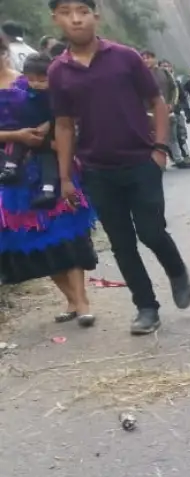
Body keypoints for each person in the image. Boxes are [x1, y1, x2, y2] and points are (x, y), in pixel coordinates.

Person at [49, 0, 190, 336]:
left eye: (83, 11)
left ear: (95, 17)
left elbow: (157, 103)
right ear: (56, 19)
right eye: (67, 12)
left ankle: (176, 271)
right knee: (122, 243)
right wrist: (65, 177)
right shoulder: (59, 71)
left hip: (141, 162)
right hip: (97, 170)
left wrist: (159, 149)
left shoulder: (125, 57)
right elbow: (64, 125)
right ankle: (146, 307)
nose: (76, 19)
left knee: (151, 231)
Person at [0, 33, 97, 327]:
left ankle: (82, 303)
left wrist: (46, 132)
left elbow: (62, 115)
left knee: (67, 229)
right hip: (11, 170)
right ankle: (70, 298)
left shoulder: (29, 79)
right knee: (33, 237)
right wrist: (15, 136)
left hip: (49, 163)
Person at [0, 53, 59, 209]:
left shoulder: (23, 84)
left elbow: (64, 117)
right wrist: (17, 135)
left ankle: (48, 190)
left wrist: (48, 127)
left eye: (41, 80)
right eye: (31, 80)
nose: (36, 84)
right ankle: (10, 169)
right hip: (17, 142)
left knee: (49, 160)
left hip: (49, 142)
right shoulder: (23, 85)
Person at [140, 50, 190, 169]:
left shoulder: (164, 72)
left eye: (148, 57)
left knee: (171, 137)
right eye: (143, 58)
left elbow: (174, 89)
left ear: (155, 59)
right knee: (150, 139)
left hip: (167, 112)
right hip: (147, 113)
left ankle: (178, 159)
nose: (146, 60)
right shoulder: (138, 73)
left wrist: (171, 104)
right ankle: (153, 163)